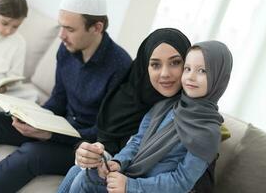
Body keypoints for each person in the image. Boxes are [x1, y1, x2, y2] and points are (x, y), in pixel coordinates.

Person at [0, 0, 131, 191]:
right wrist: (33, 117)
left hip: (85, 146)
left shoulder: (121, 67)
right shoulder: (66, 49)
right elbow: (57, 101)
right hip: (58, 127)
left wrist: (49, 135)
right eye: (61, 26)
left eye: (70, 29)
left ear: (96, 28)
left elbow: (104, 134)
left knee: (31, 153)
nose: (61, 35)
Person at [67, 40, 233, 193]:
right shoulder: (166, 105)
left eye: (202, 71)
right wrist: (118, 162)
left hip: (147, 187)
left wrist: (131, 186)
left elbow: (182, 182)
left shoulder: (208, 131)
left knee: (85, 179)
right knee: (79, 170)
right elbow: (138, 141)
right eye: (187, 68)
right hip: (133, 175)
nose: (190, 76)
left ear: (218, 77)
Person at [57, 28, 192, 193]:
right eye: (155, 64)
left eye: (175, 62)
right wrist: (93, 154)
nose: (165, 73)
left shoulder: (189, 113)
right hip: (120, 174)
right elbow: (113, 147)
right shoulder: (131, 96)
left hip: (144, 184)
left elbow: (181, 177)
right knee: (77, 171)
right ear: (144, 66)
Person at [0, 0, 38, 110]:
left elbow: (15, 75)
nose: (9, 30)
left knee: (33, 96)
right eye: (4, 23)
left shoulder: (19, 42)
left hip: (1, 89)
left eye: (15, 26)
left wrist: (4, 88)